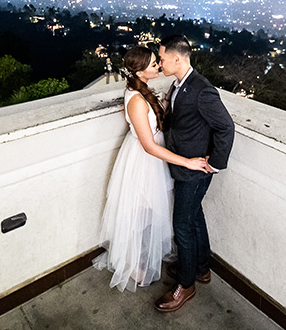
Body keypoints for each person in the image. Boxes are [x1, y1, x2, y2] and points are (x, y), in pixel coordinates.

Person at [93, 46, 212, 292]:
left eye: (157, 62)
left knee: (146, 212)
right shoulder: (136, 100)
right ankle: (128, 262)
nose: (158, 66)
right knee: (136, 214)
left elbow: (156, 122)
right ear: (138, 70)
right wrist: (187, 162)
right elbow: (148, 145)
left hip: (153, 159)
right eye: (152, 64)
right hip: (143, 160)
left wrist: (167, 100)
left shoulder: (143, 91)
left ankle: (141, 258)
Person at [154, 34, 234, 313]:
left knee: (182, 226)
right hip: (185, 165)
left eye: (162, 58)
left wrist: (216, 163)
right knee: (194, 216)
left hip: (195, 170)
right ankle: (201, 267)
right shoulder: (179, 85)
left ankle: (186, 286)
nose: (159, 62)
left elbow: (226, 126)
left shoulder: (202, 89)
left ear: (177, 58)